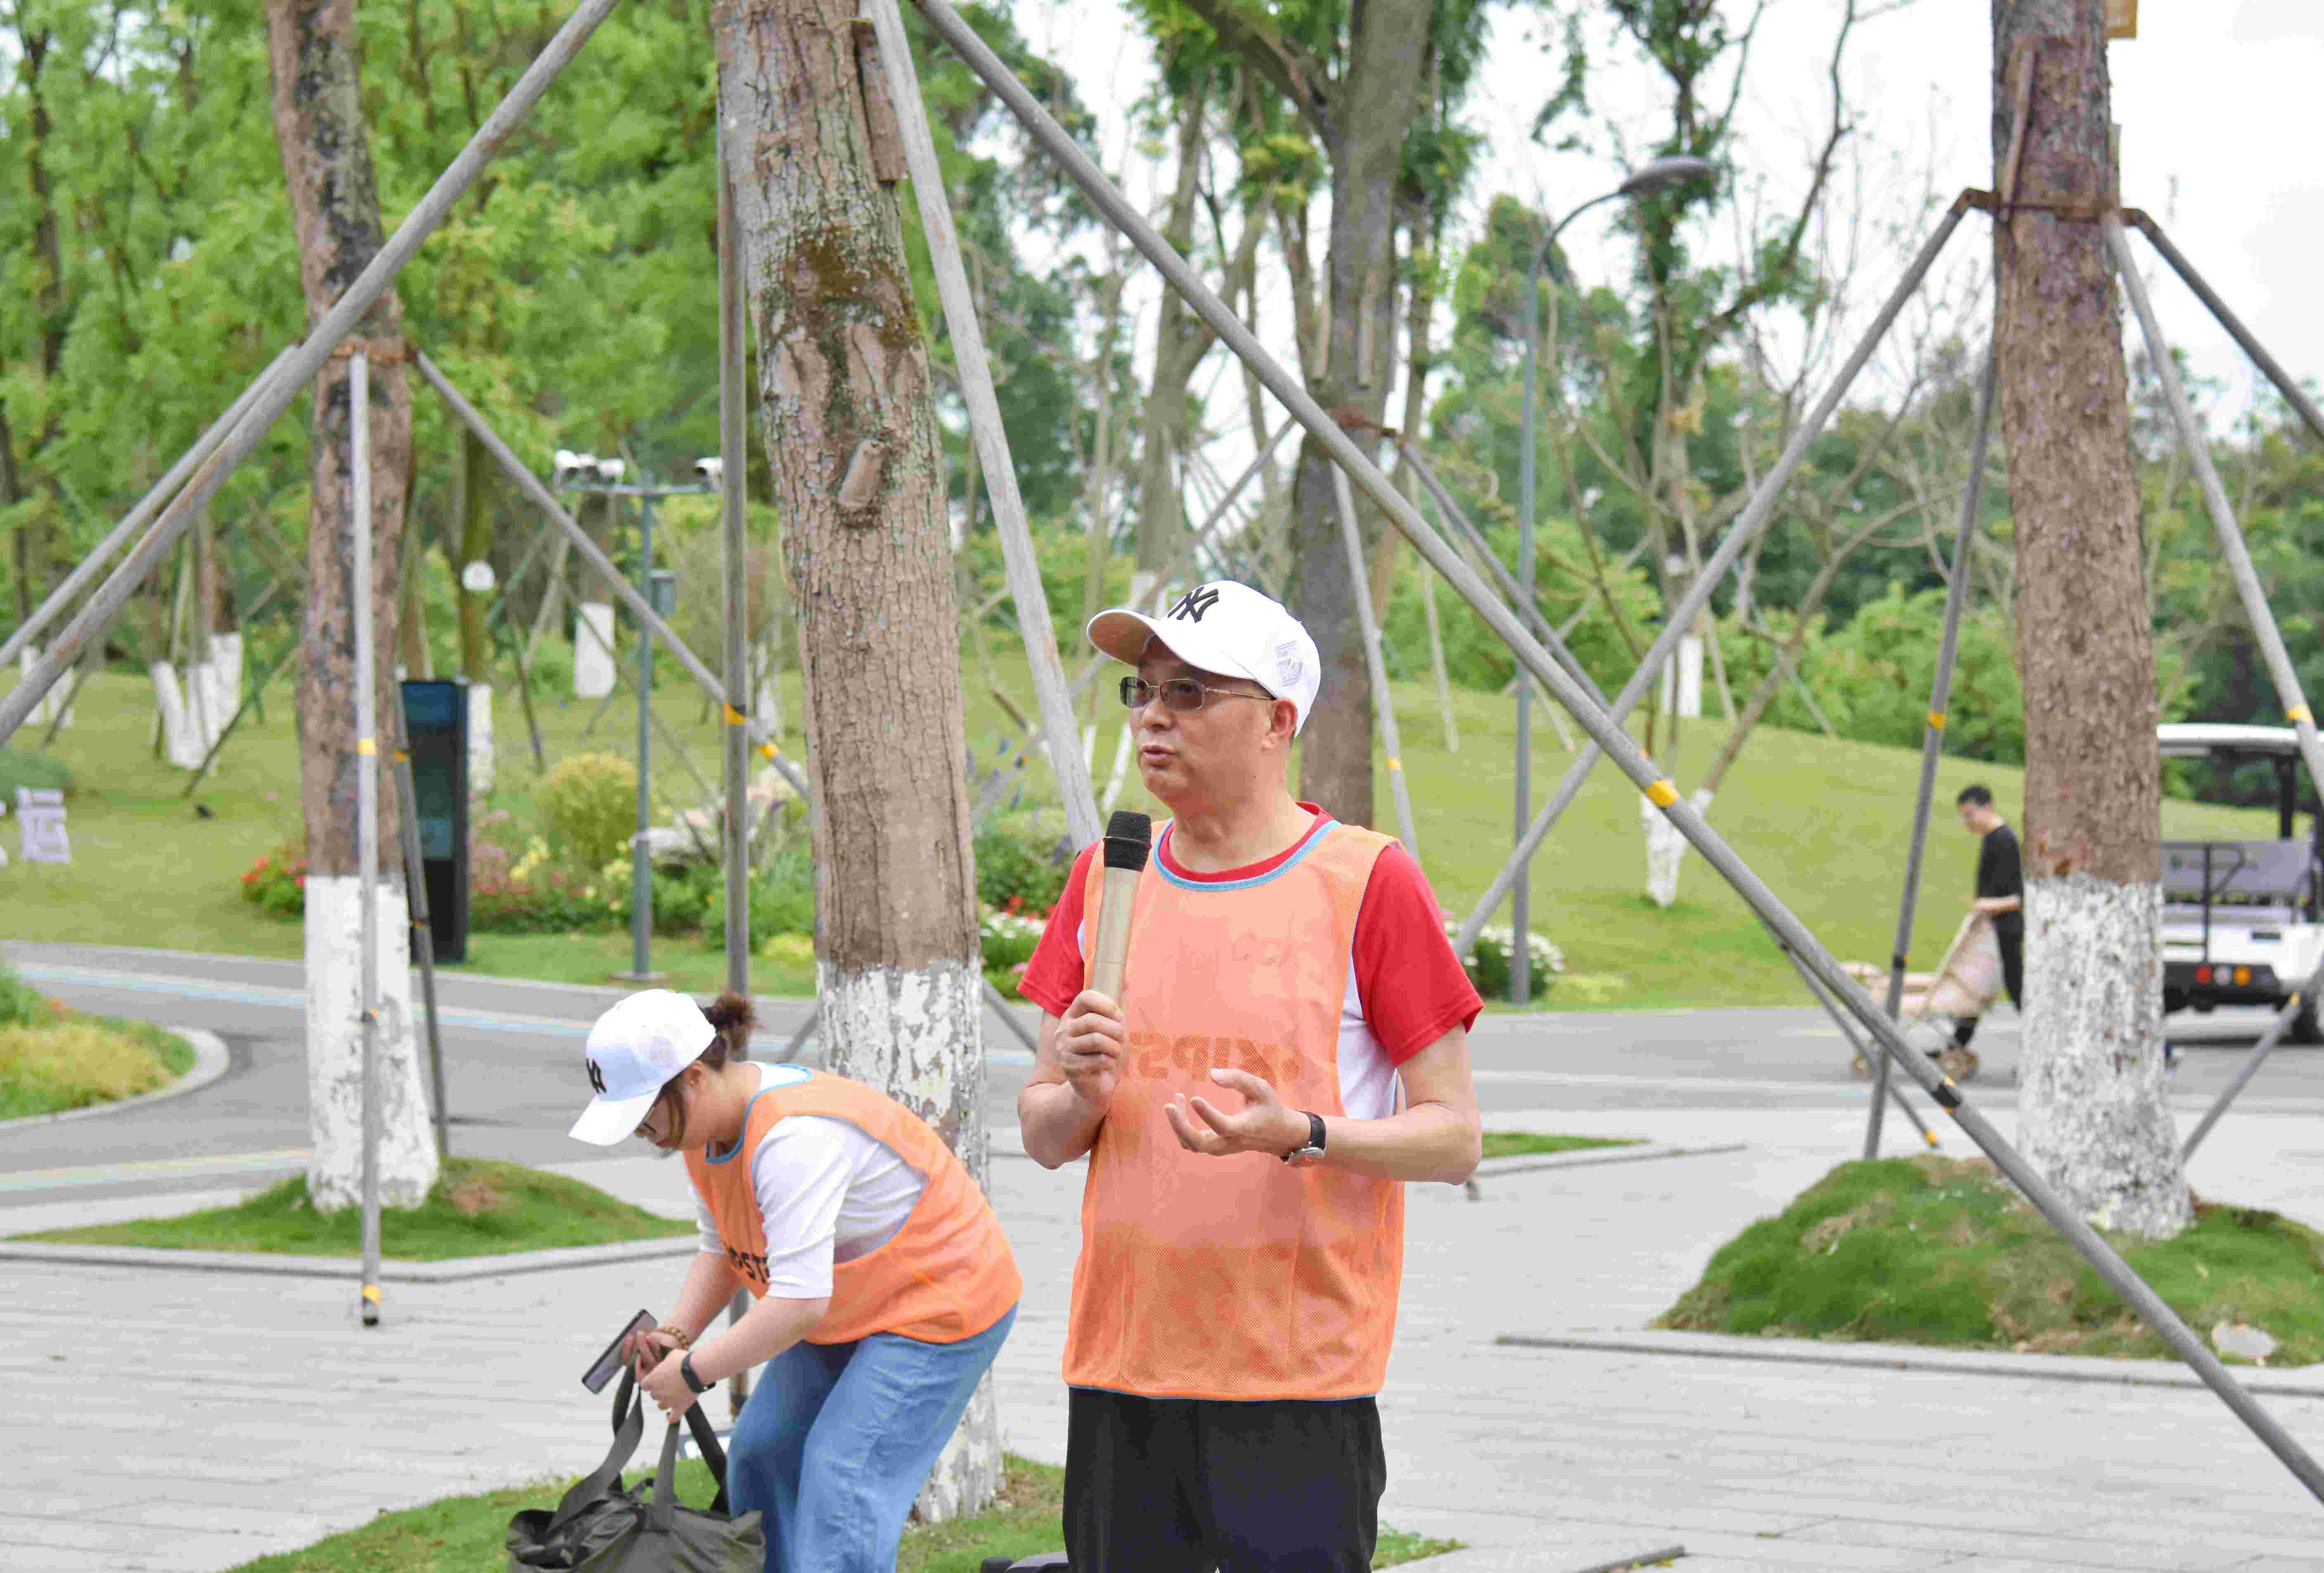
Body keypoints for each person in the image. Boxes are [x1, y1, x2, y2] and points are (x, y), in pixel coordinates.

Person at [1016, 579, 1485, 1573]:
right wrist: (1082, 1096)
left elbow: (1453, 1136)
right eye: (1142, 691)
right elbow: (1044, 1135)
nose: (1152, 717)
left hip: (1296, 1381)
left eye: (1189, 694)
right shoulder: (1108, 876)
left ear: (1278, 721)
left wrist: (1305, 1134)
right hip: (1122, 1367)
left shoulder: (1366, 879)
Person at [566, 989, 1020, 1573]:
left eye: (642, 1111)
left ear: (694, 1078)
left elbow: (801, 1302)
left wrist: (694, 1372)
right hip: (851, 1304)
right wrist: (679, 1333)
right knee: (758, 1453)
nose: (640, 1131)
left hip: (940, 1305)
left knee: (844, 1476)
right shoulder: (701, 1134)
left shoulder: (793, 1138)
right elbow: (723, 1248)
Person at [1952, 784, 2023, 1051]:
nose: (1966, 822)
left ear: (1987, 807)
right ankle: (1957, 1043)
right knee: (1976, 984)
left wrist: (1984, 905)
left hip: (2005, 928)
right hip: (1993, 926)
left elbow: (2017, 897)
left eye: (1969, 815)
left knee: (2017, 989)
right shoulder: (1992, 839)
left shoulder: (2003, 841)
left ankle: (2042, 1047)